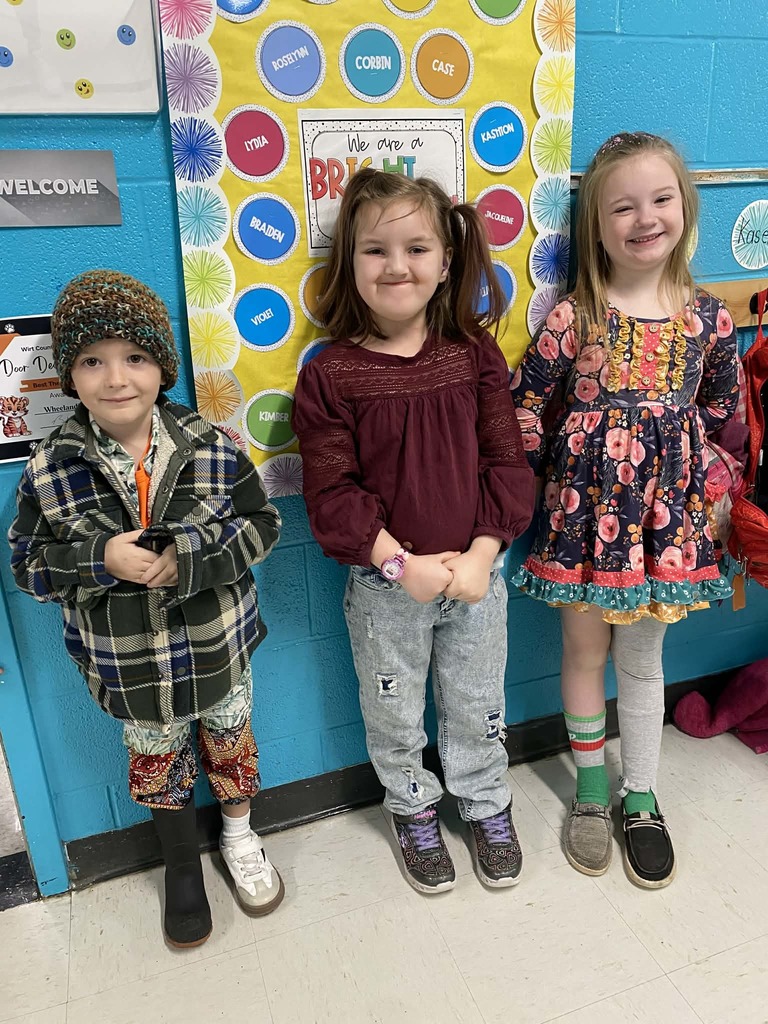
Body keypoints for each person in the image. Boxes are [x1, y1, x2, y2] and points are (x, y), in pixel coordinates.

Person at [9, 270, 284, 946]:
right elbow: (27, 566)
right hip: (130, 671)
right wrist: (99, 559)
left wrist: (190, 556)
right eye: (92, 361)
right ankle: (182, 863)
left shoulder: (211, 448)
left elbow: (262, 525)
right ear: (70, 376)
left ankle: (241, 838)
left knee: (230, 743)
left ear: (162, 367)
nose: (116, 377)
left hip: (220, 651)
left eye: (134, 357)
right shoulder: (50, 469)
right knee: (158, 764)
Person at [292, 169, 535, 893]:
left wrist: (485, 553)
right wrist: (401, 566)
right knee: (395, 709)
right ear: (349, 264)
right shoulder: (332, 374)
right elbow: (330, 491)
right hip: (384, 586)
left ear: (445, 262)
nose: (397, 266)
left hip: (476, 578)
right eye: (375, 250)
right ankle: (412, 806)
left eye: (417, 248)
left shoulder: (474, 356)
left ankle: (486, 801)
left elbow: (507, 459)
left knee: (477, 703)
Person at [510, 132, 740, 888]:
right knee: (584, 655)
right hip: (581, 526)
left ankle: (640, 795)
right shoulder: (576, 317)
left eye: (662, 199)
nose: (645, 218)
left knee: (643, 663)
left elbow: (724, 415)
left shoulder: (709, 322)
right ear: (597, 226)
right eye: (624, 207)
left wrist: (708, 492)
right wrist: (533, 491)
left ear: (685, 206)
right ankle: (590, 789)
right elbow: (525, 409)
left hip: (664, 532)